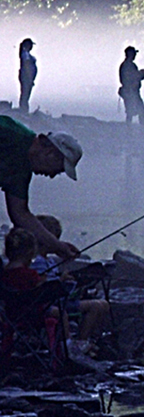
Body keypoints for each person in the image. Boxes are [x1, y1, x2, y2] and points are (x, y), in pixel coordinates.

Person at [0, 118, 80, 260]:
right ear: (51, 153)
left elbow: (20, 214)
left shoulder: (21, 172)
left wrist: (58, 246)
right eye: (58, 169)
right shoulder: (10, 133)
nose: (52, 175)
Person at [118, 47, 144, 125]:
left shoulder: (126, 65)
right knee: (139, 111)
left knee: (131, 112)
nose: (135, 55)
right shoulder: (129, 65)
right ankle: (140, 129)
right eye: (134, 53)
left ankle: (129, 129)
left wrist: (142, 73)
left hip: (130, 92)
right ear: (130, 54)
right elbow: (134, 77)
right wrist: (143, 74)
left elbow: (135, 76)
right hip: (131, 92)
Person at [14, 39, 32, 114]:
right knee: (25, 94)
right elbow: (26, 65)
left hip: (26, 77)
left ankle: (24, 110)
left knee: (25, 94)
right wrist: (29, 77)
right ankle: (24, 111)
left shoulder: (25, 53)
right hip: (26, 77)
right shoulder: (25, 54)